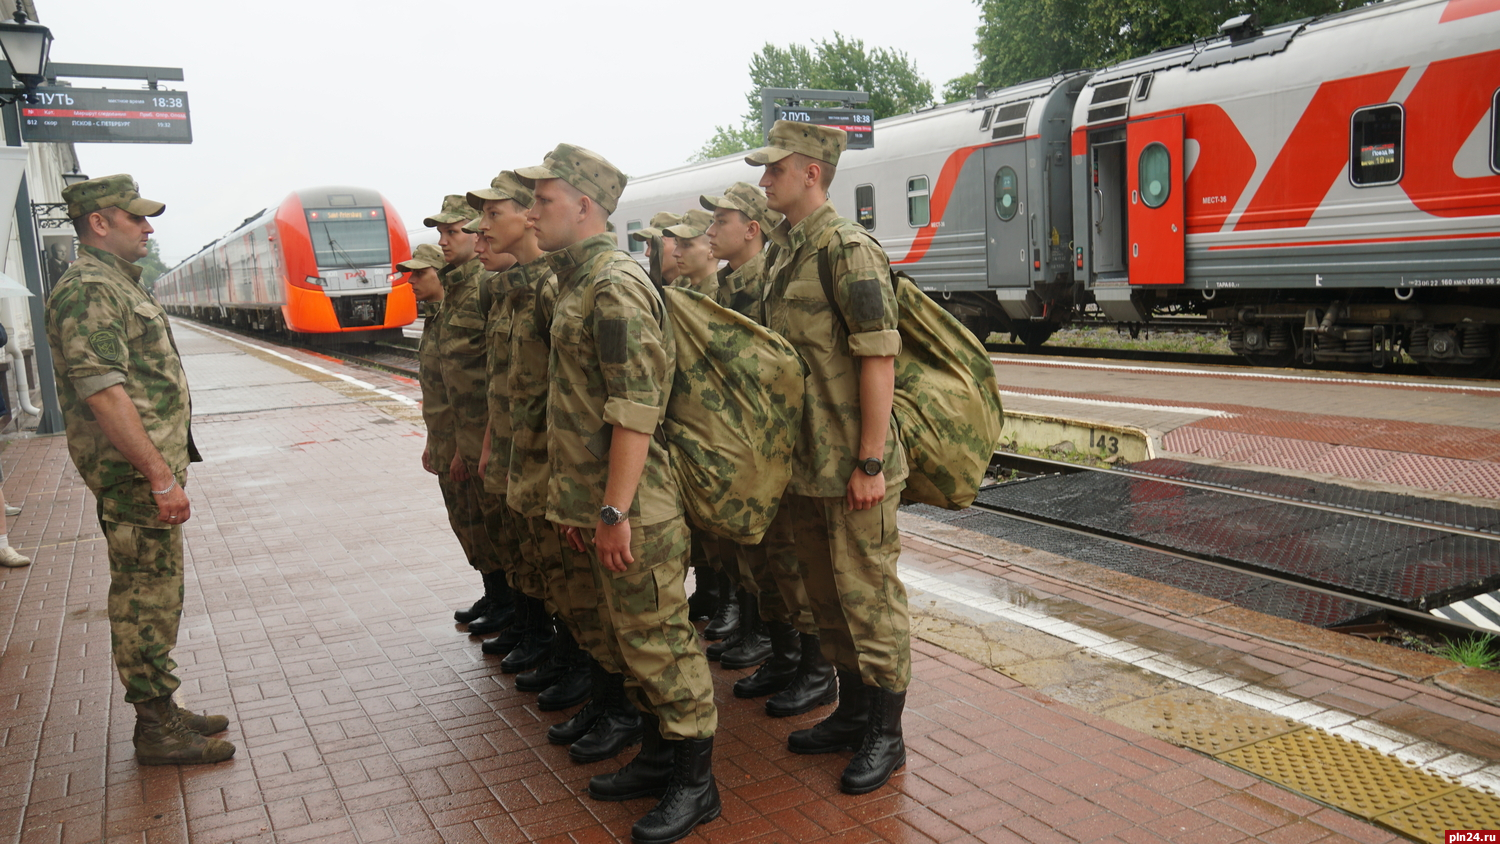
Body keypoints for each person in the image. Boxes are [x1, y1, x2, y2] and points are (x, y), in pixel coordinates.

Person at [520, 143, 719, 844]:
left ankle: (697, 784)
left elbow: (635, 407)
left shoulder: (614, 285)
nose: (531, 213)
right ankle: (663, 757)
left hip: (639, 507)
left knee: (660, 642)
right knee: (630, 644)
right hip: (603, 502)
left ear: (584, 207)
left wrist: (613, 510)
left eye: (542, 202)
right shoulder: (575, 282)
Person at [45, 174, 234, 765]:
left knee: (158, 591)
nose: (148, 228)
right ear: (99, 223)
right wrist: (157, 475)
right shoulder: (89, 290)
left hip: (141, 472)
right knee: (144, 597)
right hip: (133, 478)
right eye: (137, 218)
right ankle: (154, 726)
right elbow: (104, 392)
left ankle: (163, 706)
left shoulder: (115, 284)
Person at [748, 121, 912, 795]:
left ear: (811, 171)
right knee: (827, 599)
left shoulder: (847, 249)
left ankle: (886, 734)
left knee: (869, 598)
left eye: (774, 169)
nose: (765, 181)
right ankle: (851, 714)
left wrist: (870, 463)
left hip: (851, 464)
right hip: (806, 463)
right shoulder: (789, 251)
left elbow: (878, 355)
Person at [698, 183, 831, 710]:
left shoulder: (763, 288)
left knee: (791, 565)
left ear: (750, 229)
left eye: (720, 222)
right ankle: (783, 656)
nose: (710, 231)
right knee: (765, 566)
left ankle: (814, 670)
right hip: (747, 449)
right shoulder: (732, 287)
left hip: (776, 452)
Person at [420, 195, 515, 644]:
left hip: (484, 442)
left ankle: (518, 611)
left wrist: (470, 444)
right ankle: (497, 596)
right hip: (462, 438)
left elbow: (494, 375)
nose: (443, 241)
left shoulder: (484, 287)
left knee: (502, 533)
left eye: (452, 231)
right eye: (440, 233)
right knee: (476, 527)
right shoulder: (456, 290)